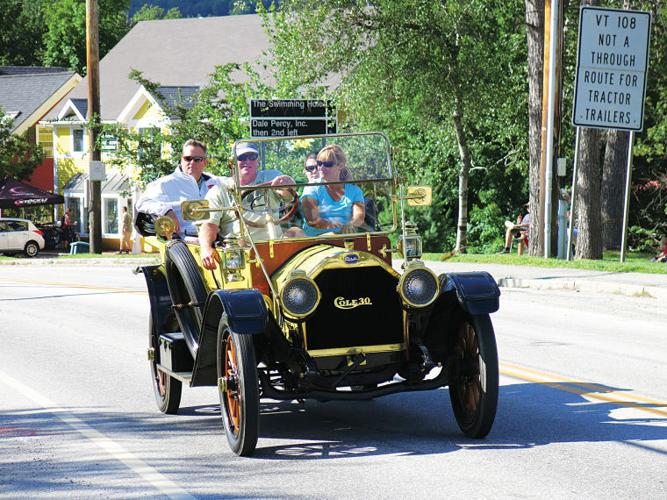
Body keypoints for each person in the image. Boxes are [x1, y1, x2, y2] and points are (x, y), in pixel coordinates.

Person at [198, 142, 298, 270]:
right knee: (238, 247)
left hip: (276, 246)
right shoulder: (220, 190)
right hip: (240, 252)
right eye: (241, 158)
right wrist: (206, 249)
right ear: (232, 162)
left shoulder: (271, 177)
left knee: (296, 232)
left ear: (258, 161)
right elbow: (209, 224)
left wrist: (287, 186)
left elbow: (288, 194)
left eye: (252, 157)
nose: (247, 161)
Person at [135, 139, 223, 237]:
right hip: (182, 240)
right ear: (181, 160)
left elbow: (237, 183)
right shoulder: (166, 183)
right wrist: (166, 211)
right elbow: (143, 202)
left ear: (205, 162)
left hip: (214, 237)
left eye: (197, 159)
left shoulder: (215, 182)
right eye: (188, 158)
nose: (192, 163)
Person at [300, 144, 365, 237]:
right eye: (319, 163)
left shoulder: (355, 191)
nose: (321, 168)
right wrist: (336, 230)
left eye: (327, 164)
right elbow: (312, 219)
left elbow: (359, 217)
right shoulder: (311, 187)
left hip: (345, 239)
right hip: (314, 242)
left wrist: (351, 225)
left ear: (340, 166)